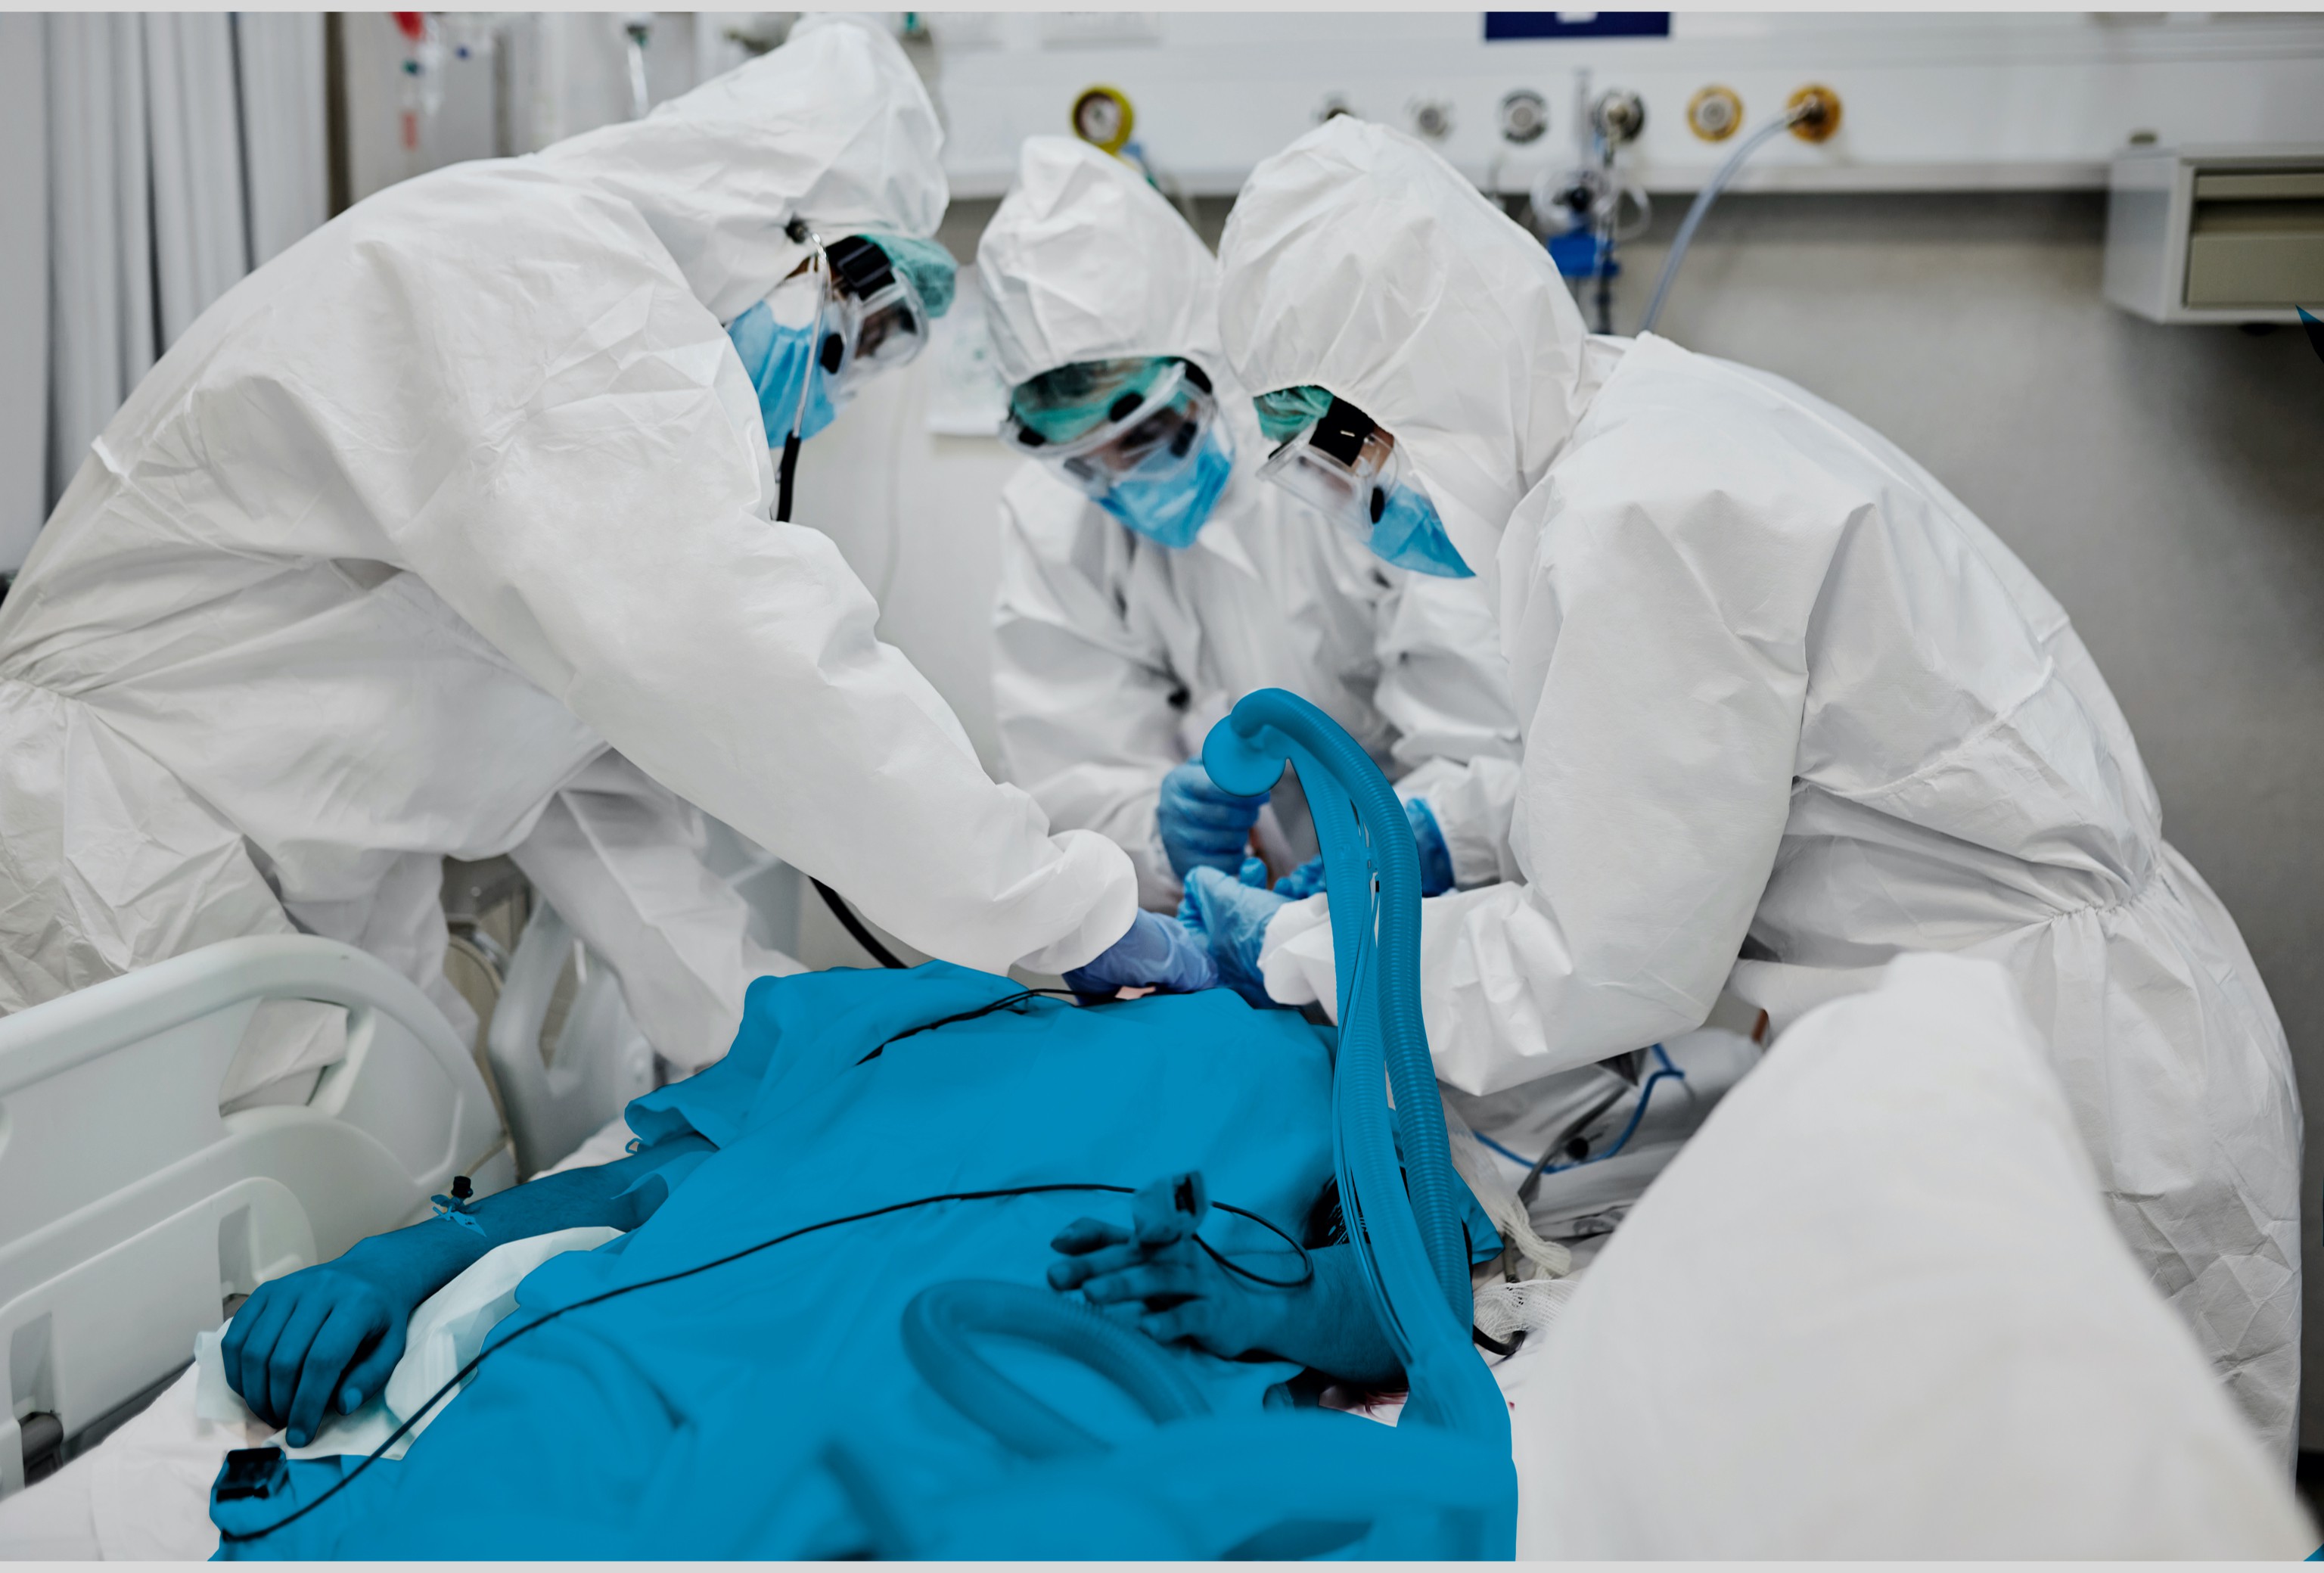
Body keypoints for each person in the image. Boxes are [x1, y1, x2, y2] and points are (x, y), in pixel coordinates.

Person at [1195, 116, 2301, 1456]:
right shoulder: (1632, 439)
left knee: (2099, 1491)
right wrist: (1442, 825)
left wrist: (1311, 948)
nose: (1335, 494)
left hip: (2067, 1067)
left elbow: (1606, 962)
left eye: (1334, 443)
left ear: (1422, 377)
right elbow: (1661, 761)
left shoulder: (1638, 511)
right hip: (2018, 1022)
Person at [0, 18, 1200, 1108]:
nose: (832, 393)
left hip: (286, 869)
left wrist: (759, 1034)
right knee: (143, 1296)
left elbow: (586, 783)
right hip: (124, 847)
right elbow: (734, 646)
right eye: (859, 335)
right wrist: (1061, 908)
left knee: (322, 1213)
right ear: (794, 242)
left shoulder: (595, 396)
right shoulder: (543, 279)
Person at [977, 136, 1523, 919]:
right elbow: (1070, 770)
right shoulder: (1053, 520)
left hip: (1441, 924)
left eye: (1141, 436)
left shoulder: (1346, 458)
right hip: (1219, 936)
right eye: (1082, 461)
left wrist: (1420, 841)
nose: (1123, 483)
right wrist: (1161, 841)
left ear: (1205, 362)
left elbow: (1485, 732)